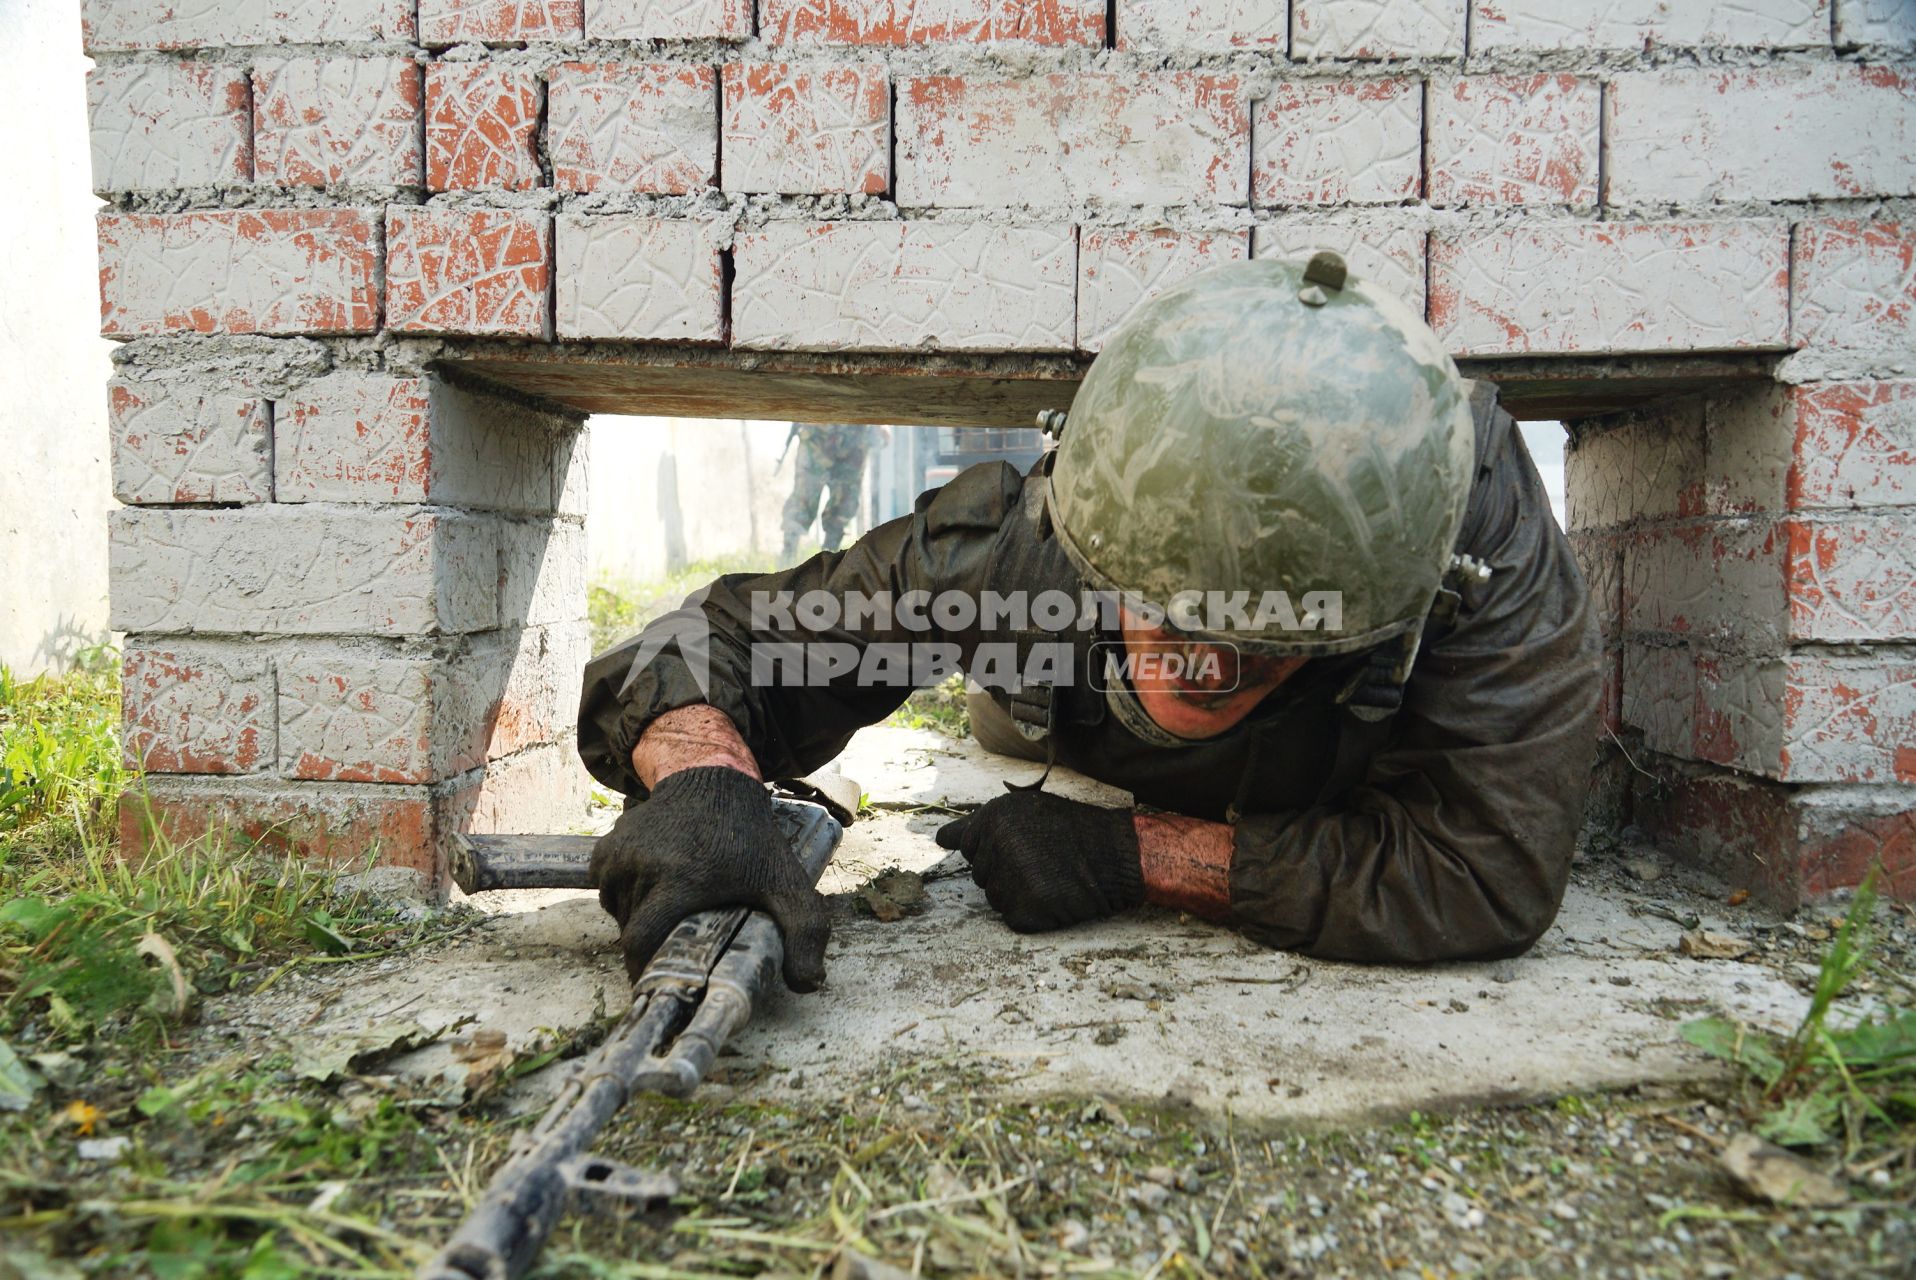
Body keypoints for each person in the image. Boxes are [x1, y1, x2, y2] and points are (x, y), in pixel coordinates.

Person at [580, 254, 1601, 995]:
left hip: (1335, 761)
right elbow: (702, 645)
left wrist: (1143, 855)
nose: (1203, 660)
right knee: (998, 720)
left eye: (1260, 637)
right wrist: (705, 778)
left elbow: (1485, 867)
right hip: (1051, 713)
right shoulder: (1012, 556)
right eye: (1163, 606)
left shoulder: (1466, 536)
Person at [779, 422, 877, 562]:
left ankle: (829, 560)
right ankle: (787, 558)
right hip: (817, 434)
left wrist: (882, 424)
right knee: (803, 499)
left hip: (854, 436)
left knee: (844, 501)